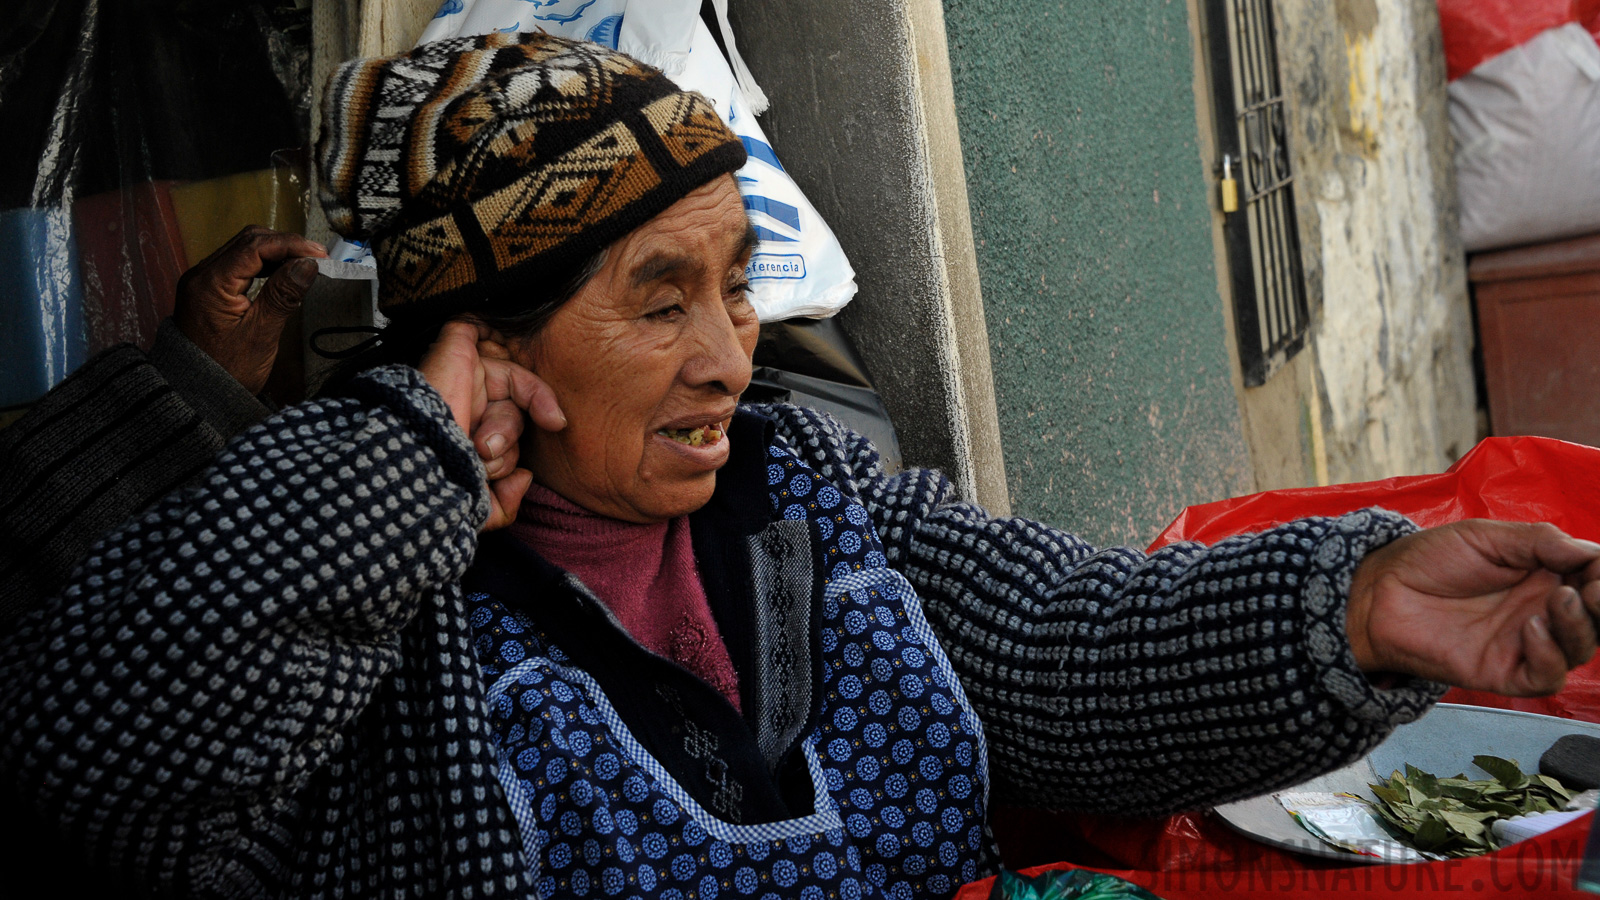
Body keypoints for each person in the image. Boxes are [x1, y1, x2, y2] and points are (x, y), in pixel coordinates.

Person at [1, 32, 1598, 900]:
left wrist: (1364, 607)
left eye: (734, 281)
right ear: (489, 346)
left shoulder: (812, 513)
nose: (729, 355)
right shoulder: (378, 647)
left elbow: (1071, 645)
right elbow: (94, 755)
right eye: (657, 300)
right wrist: (399, 469)